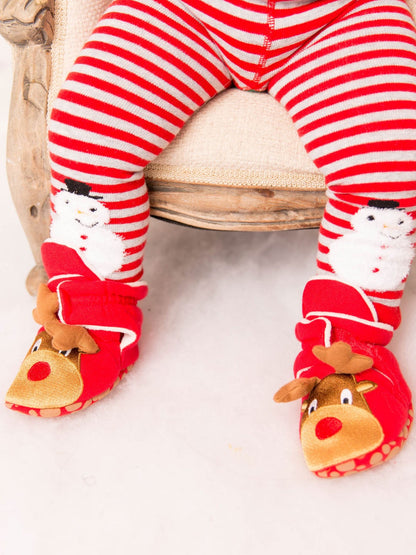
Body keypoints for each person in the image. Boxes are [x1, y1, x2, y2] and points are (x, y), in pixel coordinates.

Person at [5, 0, 416, 477]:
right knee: (87, 132)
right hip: (190, 12)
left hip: (340, 17)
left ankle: (348, 342)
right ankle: (92, 304)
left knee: (389, 160)